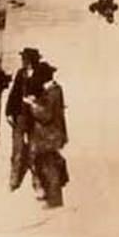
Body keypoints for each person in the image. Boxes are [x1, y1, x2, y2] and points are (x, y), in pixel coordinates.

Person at [25, 62, 69, 207]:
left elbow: (46, 115)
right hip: (51, 135)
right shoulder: (54, 90)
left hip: (49, 136)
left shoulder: (52, 92)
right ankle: (52, 197)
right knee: (48, 165)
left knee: (49, 168)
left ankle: (55, 200)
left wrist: (32, 105)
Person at [5, 47, 43, 192]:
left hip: (35, 118)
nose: (23, 61)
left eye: (25, 59)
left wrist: (35, 101)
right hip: (20, 116)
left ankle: (37, 182)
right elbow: (14, 93)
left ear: (31, 61)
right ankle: (14, 180)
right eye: (23, 59)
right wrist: (9, 112)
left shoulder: (40, 75)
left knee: (35, 151)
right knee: (17, 150)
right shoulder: (20, 74)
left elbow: (46, 97)